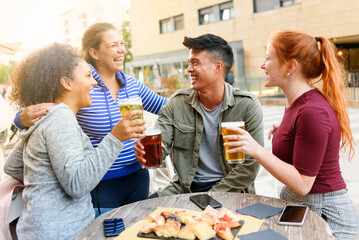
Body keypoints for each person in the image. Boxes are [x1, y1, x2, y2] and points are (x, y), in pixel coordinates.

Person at [13, 22, 167, 215]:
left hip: (138, 177)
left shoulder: (132, 85)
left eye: (122, 43)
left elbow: (168, 109)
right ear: (94, 53)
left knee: (136, 230)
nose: (121, 49)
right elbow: (45, 114)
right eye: (113, 45)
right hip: (100, 185)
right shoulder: (81, 83)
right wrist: (19, 119)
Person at [223, 30, 359, 239]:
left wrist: (256, 149)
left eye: (268, 58)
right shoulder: (298, 104)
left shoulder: (312, 111)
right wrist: (288, 132)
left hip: (327, 218)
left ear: (290, 66)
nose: (262, 65)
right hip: (304, 208)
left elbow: (303, 184)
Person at [4, 43, 146, 239]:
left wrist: (47, 179)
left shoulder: (49, 117)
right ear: (67, 83)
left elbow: (12, 166)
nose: (94, 82)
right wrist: (116, 137)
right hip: (61, 233)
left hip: (40, 229)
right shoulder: (61, 118)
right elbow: (77, 185)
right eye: (88, 76)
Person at [135, 34, 263, 196]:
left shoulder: (247, 105)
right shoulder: (176, 103)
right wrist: (144, 154)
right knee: (145, 212)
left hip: (232, 190)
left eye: (195, 62)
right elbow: (160, 152)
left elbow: (250, 167)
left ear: (217, 67)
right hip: (184, 188)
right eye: (189, 63)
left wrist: (210, 195)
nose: (188, 69)